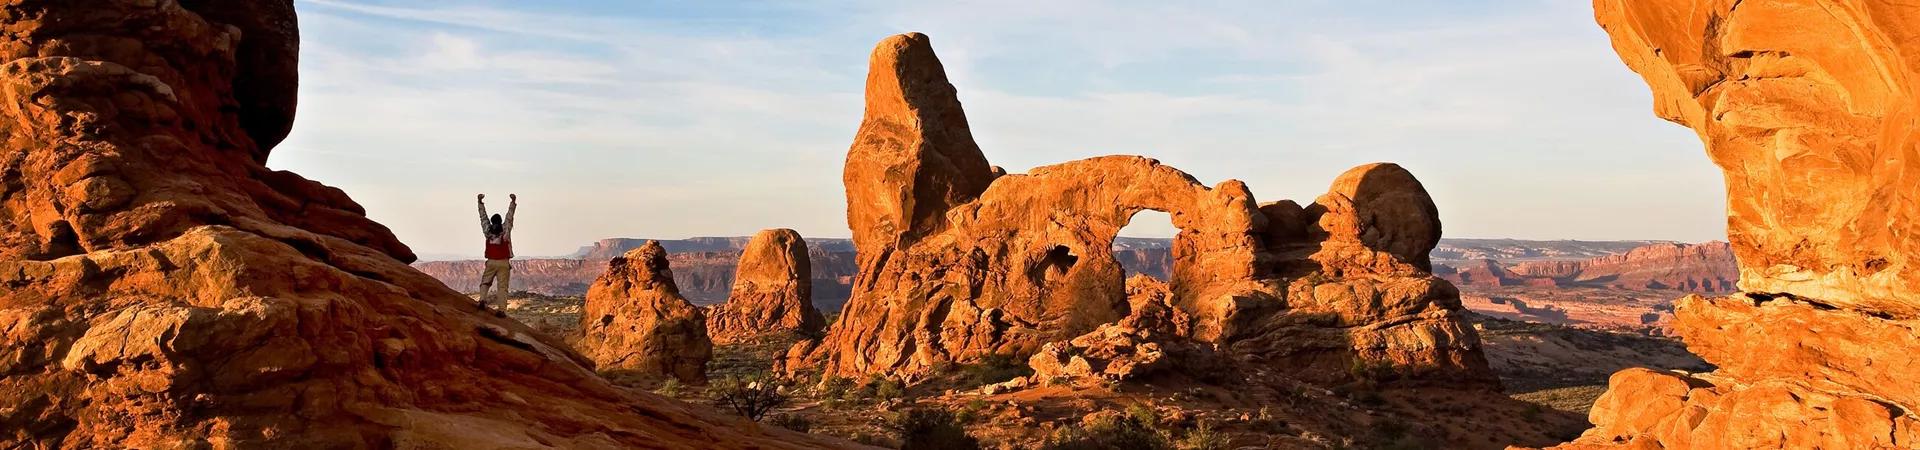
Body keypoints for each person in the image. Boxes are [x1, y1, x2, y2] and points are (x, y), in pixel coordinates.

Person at [477, 193, 516, 314]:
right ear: (500, 222)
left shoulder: (487, 231)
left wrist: (480, 202)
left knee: (485, 282)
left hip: (491, 261)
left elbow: (483, 218)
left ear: (492, 222)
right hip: (504, 262)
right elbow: (510, 217)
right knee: (502, 287)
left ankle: (482, 300)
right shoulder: (505, 231)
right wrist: (512, 202)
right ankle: (501, 310)